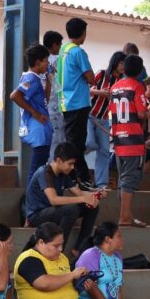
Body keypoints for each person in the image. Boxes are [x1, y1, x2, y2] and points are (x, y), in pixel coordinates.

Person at [24, 142, 101, 258]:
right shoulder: (45, 173)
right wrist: (83, 198)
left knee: (92, 206)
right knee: (72, 209)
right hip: (37, 215)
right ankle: (59, 252)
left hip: (54, 212)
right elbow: (53, 200)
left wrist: (94, 195)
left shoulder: (63, 174)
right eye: (70, 164)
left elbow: (79, 193)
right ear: (59, 160)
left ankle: (80, 248)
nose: (72, 167)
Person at [110, 54, 149, 228]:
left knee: (123, 178)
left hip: (119, 139)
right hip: (133, 140)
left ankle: (127, 215)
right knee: (129, 179)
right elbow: (141, 114)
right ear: (140, 70)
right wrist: (149, 111)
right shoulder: (137, 87)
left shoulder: (115, 87)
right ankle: (125, 217)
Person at [56, 19, 96, 187]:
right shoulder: (78, 52)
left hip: (65, 102)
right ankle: (79, 177)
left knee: (73, 141)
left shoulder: (63, 50)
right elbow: (90, 77)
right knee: (76, 144)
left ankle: (76, 176)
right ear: (82, 33)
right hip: (78, 102)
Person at [12, 44, 54, 179]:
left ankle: (33, 196)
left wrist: (49, 82)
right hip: (38, 131)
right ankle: (30, 198)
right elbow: (14, 95)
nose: (48, 63)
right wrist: (34, 113)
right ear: (37, 62)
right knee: (37, 169)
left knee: (40, 167)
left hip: (43, 130)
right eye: (46, 60)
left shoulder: (37, 79)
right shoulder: (31, 78)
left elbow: (44, 100)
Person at [85, 52, 123, 191]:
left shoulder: (121, 82)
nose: (123, 67)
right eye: (121, 63)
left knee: (104, 151)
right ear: (115, 62)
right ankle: (76, 160)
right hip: (89, 115)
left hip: (104, 119)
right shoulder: (101, 74)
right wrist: (101, 92)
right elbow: (87, 90)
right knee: (89, 143)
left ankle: (101, 184)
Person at [43, 30, 66, 155]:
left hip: (44, 104)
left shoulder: (42, 60)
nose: (61, 47)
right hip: (54, 103)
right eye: (60, 44)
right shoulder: (57, 60)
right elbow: (59, 84)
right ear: (54, 45)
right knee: (57, 137)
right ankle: (54, 166)